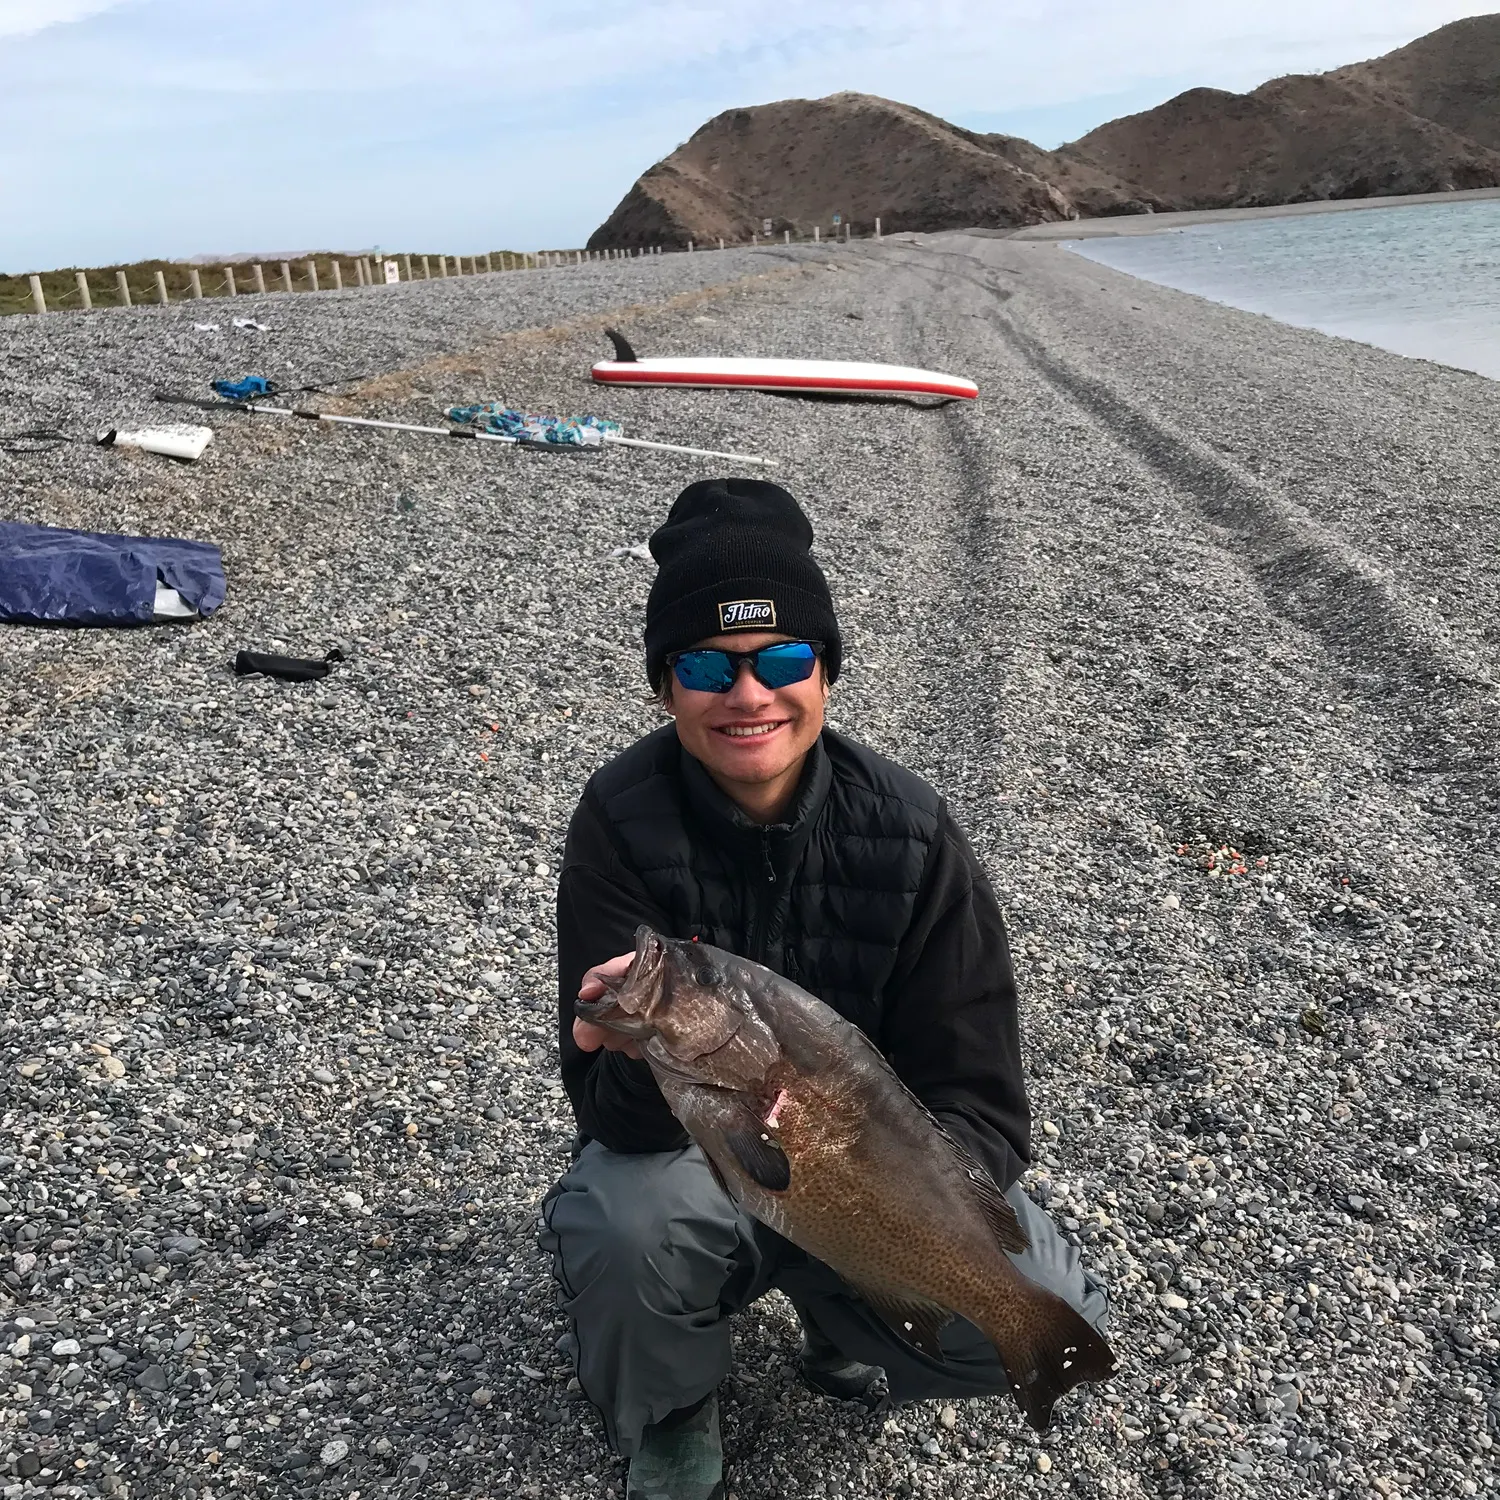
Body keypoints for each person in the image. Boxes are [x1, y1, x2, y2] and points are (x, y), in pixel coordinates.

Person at [539, 478, 1108, 1500]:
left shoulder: (914, 833)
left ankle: (849, 1317)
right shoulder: (618, 821)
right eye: (708, 666)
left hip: (874, 1157)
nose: (749, 695)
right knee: (625, 1227)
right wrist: (628, 1051)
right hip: (698, 1156)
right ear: (666, 685)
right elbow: (609, 1121)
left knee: (1037, 1300)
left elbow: (982, 1099)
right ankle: (671, 1408)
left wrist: (890, 1206)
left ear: (826, 674)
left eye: (783, 660)